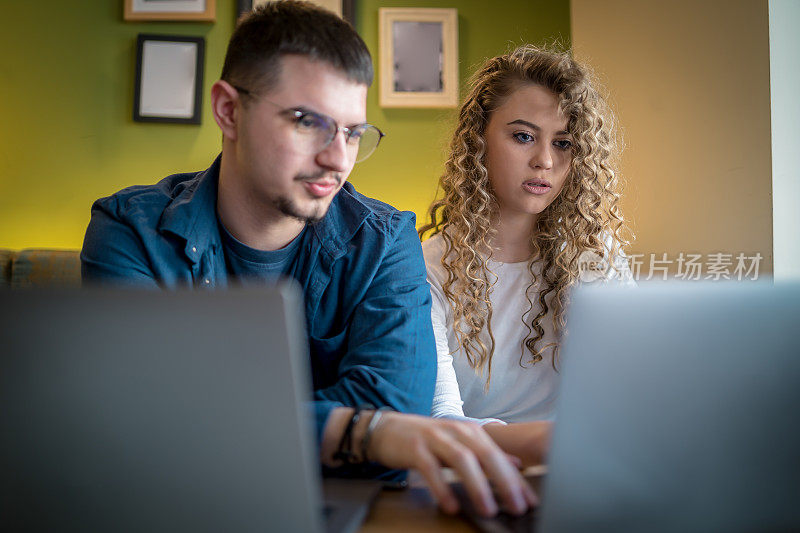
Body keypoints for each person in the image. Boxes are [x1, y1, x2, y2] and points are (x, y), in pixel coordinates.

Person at [81, 1, 534, 518]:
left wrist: (217, 422)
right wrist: (360, 432)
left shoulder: (385, 241)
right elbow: (142, 423)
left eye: (352, 132)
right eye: (306, 122)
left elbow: (399, 410)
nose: (337, 158)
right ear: (229, 110)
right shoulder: (130, 232)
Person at [419, 45, 635, 466]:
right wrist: (543, 442)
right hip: (472, 474)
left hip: (583, 470)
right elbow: (439, 419)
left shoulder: (596, 256)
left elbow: (632, 389)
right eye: (523, 136)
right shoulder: (426, 268)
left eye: (564, 143)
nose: (545, 161)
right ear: (477, 139)